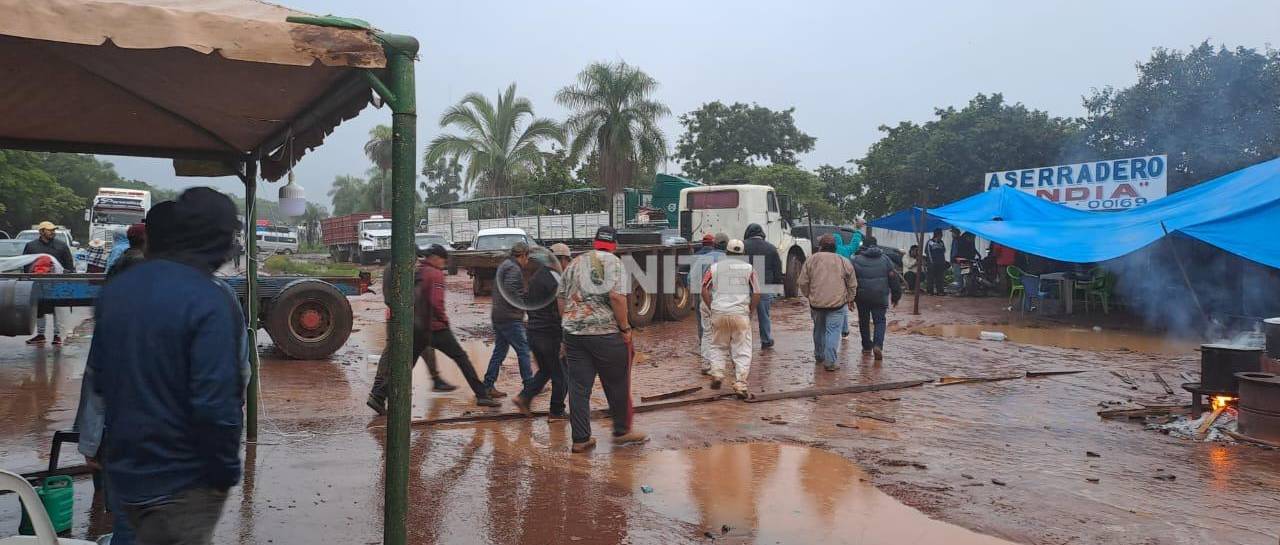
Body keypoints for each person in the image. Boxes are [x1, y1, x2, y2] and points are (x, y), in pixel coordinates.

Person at [88, 187, 244, 545]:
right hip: (183, 483)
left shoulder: (118, 289)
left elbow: (101, 380)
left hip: (129, 477)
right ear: (214, 239)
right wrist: (224, 471)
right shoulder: (209, 299)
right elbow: (216, 405)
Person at [368, 245, 498, 413]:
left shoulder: (417, 271)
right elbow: (436, 303)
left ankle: (378, 395)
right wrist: (444, 320)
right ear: (436, 258)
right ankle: (482, 395)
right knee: (461, 358)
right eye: (443, 260)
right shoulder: (434, 274)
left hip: (417, 327)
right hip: (434, 328)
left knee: (407, 364)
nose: (444, 264)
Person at [558, 226, 646, 453]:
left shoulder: (575, 262)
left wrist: (570, 324)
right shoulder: (615, 263)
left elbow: (561, 299)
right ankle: (622, 431)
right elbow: (616, 297)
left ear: (594, 242)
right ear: (614, 245)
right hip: (606, 334)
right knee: (617, 382)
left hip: (574, 335)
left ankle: (580, 439)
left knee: (578, 387)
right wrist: (625, 328)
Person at [512, 244, 572, 419]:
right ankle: (556, 412)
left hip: (533, 332)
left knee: (546, 370)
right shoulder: (556, 281)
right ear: (561, 260)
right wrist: (563, 339)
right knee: (562, 376)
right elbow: (559, 312)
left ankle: (524, 398)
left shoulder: (537, 277)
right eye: (567, 260)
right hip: (549, 335)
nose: (568, 264)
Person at [701, 239, 759, 397]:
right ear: (743, 253)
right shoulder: (749, 269)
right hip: (740, 314)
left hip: (719, 312)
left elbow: (704, 289)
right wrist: (750, 311)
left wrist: (712, 306)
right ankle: (740, 384)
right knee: (742, 349)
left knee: (718, 346)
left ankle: (718, 374)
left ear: (726, 253)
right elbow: (757, 292)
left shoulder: (714, 268)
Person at [797, 234, 858, 371]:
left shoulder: (811, 260)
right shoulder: (843, 261)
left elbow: (802, 282)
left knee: (818, 330)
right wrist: (850, 298)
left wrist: (809, 295)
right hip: (837, 304)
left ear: (821, 246)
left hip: (816, 303)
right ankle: (830, 362)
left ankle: (819, 356)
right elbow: (852, 283)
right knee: (833, 332)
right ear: (835, 247)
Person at [483, 242, 535, 398]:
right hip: (509, 317)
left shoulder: (505, 265)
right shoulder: (514, 268)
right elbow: (511, 291)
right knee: (523, 350)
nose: (527, 261)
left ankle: (488, 385)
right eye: (528, 257)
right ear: (523, 255)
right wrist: (523, 307)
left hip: (499, 315)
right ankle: (529, 386)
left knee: (499, 351)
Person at [23, 221, 74, 345]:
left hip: (57, 284)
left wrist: (66, 279)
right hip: (38, 283)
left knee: (58, 308)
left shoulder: (61, 246)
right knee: (39, 308)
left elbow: (69, 266)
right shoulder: (31, 246)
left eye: (53, 230)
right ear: (41, 232)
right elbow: (25, 265)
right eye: (49, 230)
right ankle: (41, 335)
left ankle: (57, 335)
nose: (52, 232)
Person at [852, 236, 903, 360]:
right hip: (880, 295)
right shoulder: (885, 259)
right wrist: (896, 296)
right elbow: (893, 278)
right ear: (876, 245)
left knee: (864, 321)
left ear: (863, 245)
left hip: (862, 297)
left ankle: (866, 346)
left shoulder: (855, 260)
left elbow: (850, 279)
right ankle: (878, 345)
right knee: (880, 321)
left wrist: (849, 297)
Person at [690, 233, 728, 370]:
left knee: (706, 332)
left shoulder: (703, 259)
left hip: (706, 298)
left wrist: (699, 293)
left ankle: (706, 363)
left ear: (714, 244)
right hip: (724, 301)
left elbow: (691, 278)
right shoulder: (730, 259)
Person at [742, 223, 780, 349]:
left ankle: (742, 340)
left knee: (745, 313)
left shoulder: (742, 246)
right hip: (765, 286)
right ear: (762, 234)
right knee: (764, 315)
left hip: (746, 285)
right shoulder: (771, 248)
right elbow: (777, 270)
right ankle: (766, 340)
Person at [925, 228, 948, 296]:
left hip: (940, 263)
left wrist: (943, 261)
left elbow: (944, 250)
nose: (941, 236)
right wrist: (931, 262)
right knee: (930, 278)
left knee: (940, 278)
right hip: (932, 263)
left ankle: (940, 291)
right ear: (936, 235)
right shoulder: (930, 242)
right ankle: (930, 291)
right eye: (940, 235)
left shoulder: (941, 242)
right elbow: (927, 252)